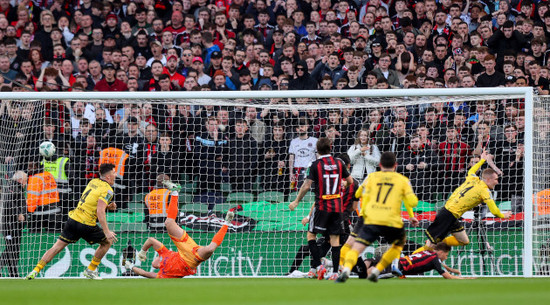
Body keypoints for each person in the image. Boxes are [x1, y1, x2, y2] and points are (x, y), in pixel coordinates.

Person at [123, 181, 235, 278]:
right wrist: (131, 267)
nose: (157, 256)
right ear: (157, 266)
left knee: (169, 222)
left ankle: (174, 192)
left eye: (157, 256)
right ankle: (226, 223)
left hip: (185, 247)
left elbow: (151, 240)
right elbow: (146, 274)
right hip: (191, 260)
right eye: (157, 258)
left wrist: (143, 251)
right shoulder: (164, 274)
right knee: (210, 249)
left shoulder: (165, 253)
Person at [26, 163, 119, 280]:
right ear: (108, 177)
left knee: (57, 247)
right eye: (114, 172)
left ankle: (35, 270)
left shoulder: (93, 182)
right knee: (107, 242)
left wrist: (107, 206)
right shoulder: (108, 190)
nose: (116, 175)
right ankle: (90, 270)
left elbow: (91, 202)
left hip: (73, 219)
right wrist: (107, 231)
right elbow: (100, 211)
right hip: (86, 224)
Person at [337, 151, 419, 283]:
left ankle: (345, 269)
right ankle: (378, 270)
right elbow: (412, 202)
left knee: (355, 247)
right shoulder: (403, 180)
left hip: (370, 218)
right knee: (399, 244)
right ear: (396, 165)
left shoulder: (371, 177)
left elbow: (357, 194)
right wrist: (411, 214)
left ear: (380, 165)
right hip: (390, 220)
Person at [414, 150, 512, 254]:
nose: (497, 182)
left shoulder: (472, 179)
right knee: (429, 248)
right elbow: (494, 211)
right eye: (496, 179)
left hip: (451, 214)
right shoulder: (485, 191)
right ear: (488, 180)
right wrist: (503, 215)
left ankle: (440, 241)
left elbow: (471, 171)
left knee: (464, 241)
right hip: (447, 215)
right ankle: (408, 261)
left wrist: (482, 160)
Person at [289, 137, 354, 280]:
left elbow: (306, 186)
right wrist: (343, 185)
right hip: (337, 207)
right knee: (335, 240)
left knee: (311, 236)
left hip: (322, 205)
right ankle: (335, 273)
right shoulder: (339, 162)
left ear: (316, 150)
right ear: (330, 148)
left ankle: (318, 266)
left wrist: (296, 201)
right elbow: (350, 181)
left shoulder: (315, 164)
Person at [365, 242, 473, 279]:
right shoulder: (434, 259)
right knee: (369, 275)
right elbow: (447, 276)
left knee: (367, 263)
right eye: (446, 254)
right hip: (398, 267)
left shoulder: (429, 252)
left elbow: (442, 265)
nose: (447, 257)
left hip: (396, 260)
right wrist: (464, 278)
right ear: (440, 252)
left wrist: (453, 270)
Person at [0, 171, 27, 277]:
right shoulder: (12, 188)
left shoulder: (18, 189)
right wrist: (18, 214)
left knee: (14, 249)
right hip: (9, 224)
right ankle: (12, 273)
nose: (26, 182)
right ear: (20, 180)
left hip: (15, 225)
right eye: (25, 180)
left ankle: (13, 274)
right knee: (11, 248)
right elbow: (8, 203)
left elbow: (21, 204)